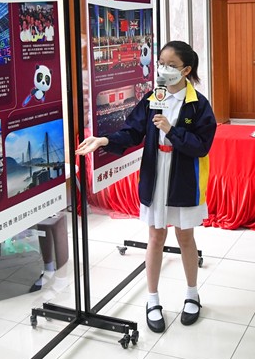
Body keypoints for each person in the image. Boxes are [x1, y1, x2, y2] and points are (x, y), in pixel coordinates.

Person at [76, 40, 216, 333]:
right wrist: (105, 140)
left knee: (185, 236)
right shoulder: (153, 98)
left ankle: (192, 294)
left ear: (186, 70)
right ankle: (152, 300)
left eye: (171, 65)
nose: (163, 69)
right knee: (155, 236)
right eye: (161, 63)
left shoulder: (199, 105)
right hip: (156, 172)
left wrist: (171, 131)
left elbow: (201, 146)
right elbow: (132, 131)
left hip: (184, 176)